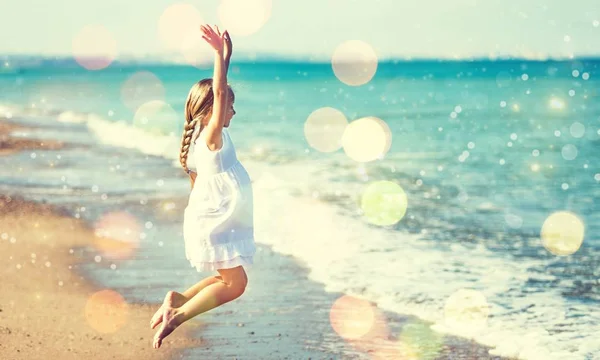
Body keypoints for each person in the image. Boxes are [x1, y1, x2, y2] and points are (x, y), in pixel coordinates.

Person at [149, 24, 256, 349]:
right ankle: (177, 316)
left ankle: (177, 298)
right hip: (219, 222)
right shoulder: (211, 137)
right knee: (236, 285)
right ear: (212, 111)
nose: (233, 111)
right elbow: (220, 92)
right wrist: (220, 57)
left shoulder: (197, 141)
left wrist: (226, 57)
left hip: (214, 219)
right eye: (229, 107)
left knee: (228, 280)